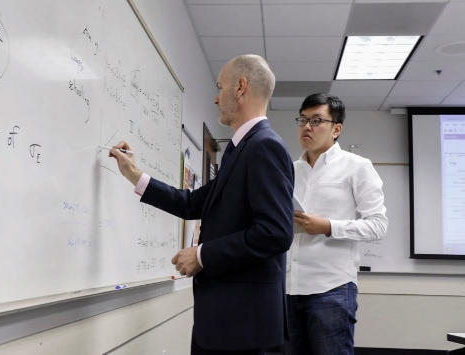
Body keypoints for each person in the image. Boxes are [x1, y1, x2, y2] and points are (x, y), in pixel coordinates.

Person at [108, 55, 294, 355]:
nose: (215, 97)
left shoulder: (264, 147)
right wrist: (135, 175)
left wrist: (203, 255)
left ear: (240, 87)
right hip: (224, 323)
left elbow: (276, 233)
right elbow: (194, 203)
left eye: (220, 87)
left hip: (244, 327)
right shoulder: (239, 150)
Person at [286, 93, 389, 355]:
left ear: (336, 129)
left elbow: (378, 225)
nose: (307, 126)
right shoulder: (288, 170)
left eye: (317, 120)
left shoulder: (357, 167)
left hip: (331, 289)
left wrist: (329, 227)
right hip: (287, 287)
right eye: (303, 120)